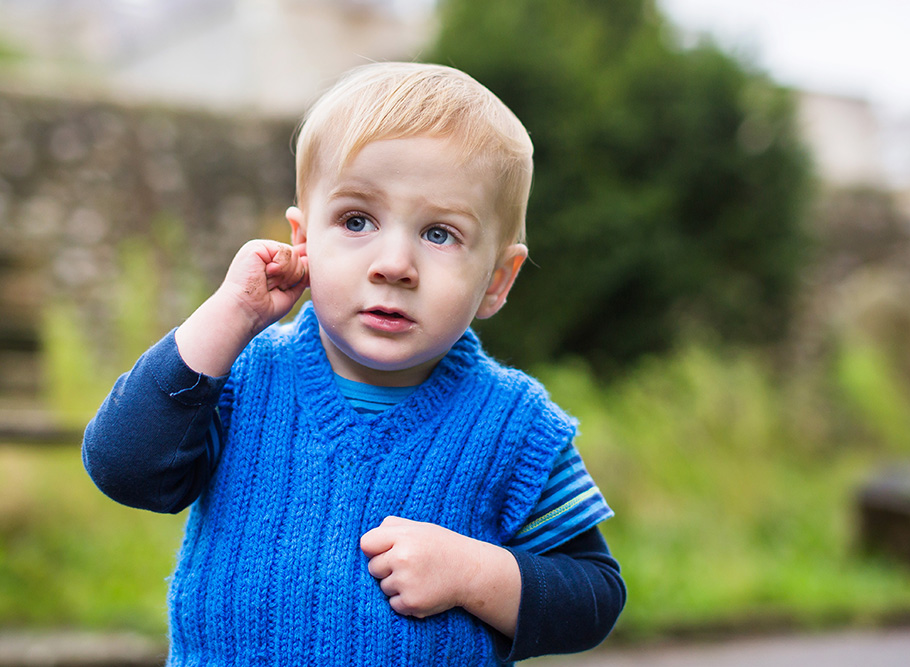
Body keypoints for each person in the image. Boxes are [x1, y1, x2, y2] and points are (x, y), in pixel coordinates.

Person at [83, 61, 625, 665]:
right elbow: (122, 466)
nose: (394, 263)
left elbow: (595, 594)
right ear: (303, 241)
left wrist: (477, 573)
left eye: (440, 233)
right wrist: (227, 318)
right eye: (357, 220)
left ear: (498, 279)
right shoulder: (244, 381)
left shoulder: (516, 427)